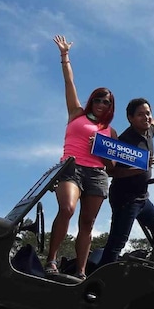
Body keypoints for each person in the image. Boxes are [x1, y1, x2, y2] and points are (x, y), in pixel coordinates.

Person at [46, 34, 116, 279]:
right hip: (72, 168)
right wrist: (65, 56)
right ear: (91, 101)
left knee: (87, 224)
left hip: (97, 175)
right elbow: (69, 83)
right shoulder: (76, 114)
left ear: (110, 107)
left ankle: (81, 271)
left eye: (106, 101)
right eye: (97, 99)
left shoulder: (110, 131)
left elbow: (113, 164)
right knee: (67, 208)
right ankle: (52, 260)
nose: (101, 103)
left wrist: (103, 150)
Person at [98, 97, 154, 265]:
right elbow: (111, 171)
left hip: (142, 196)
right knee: (118, 242)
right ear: (130, 118)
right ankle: (101, 278)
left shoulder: (149, 131)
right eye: (140, 114)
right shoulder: (124, 141)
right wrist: (140, 167)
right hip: (125, 199)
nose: (146, 117)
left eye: (148, 113)